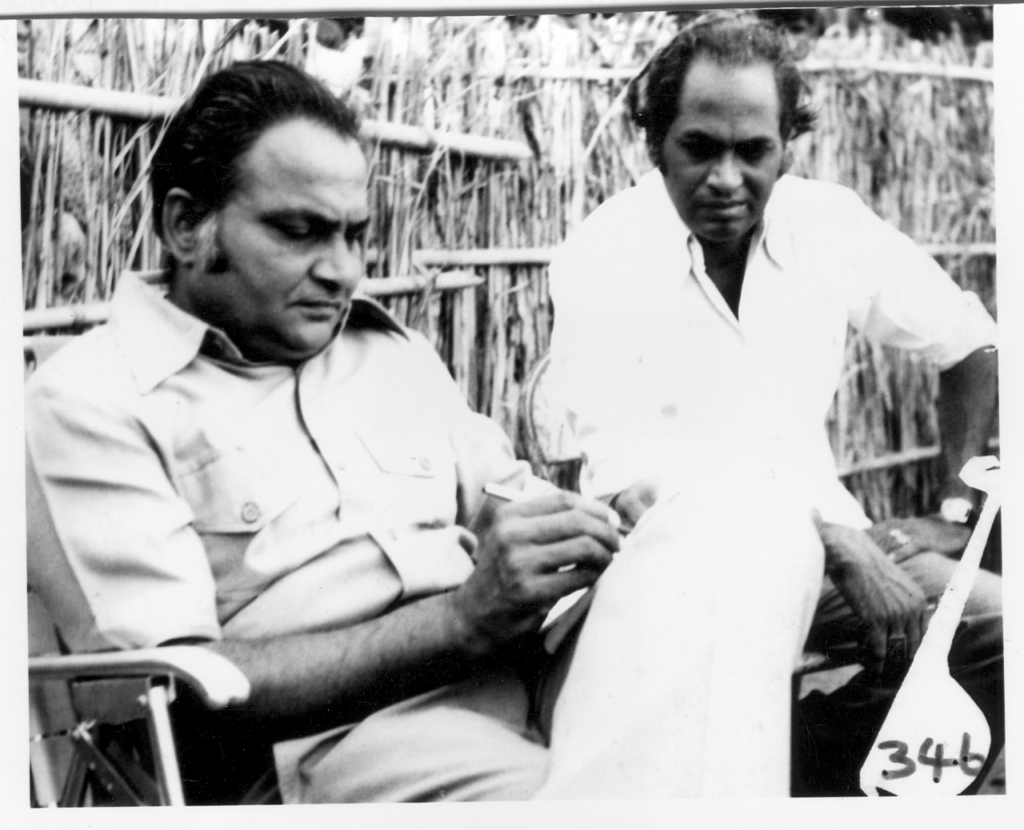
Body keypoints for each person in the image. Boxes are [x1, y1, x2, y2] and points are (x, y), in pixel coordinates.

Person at [26, 59, 823, 802]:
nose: (343, 270)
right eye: (300, 231)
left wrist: (606, 523)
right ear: (186, 225)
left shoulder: (388, 353)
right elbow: (178, 693)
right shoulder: (93, 400)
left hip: (529, 671)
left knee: (745, 519)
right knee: (669, 780)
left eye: (355, 234)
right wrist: (464, 619)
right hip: (349, 739)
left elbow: (510, 508)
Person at [546, 12, 1002, 795]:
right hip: (671, 572)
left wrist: (955, 511)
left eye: (752, 150)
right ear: (654, 142)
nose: (726, 178)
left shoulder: (826, 224)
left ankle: (817, 778)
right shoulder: (604, 256)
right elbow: (650, 488)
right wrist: (835, 540)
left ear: (787, 144)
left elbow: (972, 344)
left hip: (834, 556)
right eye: (699, 148)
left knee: (1004, 635)